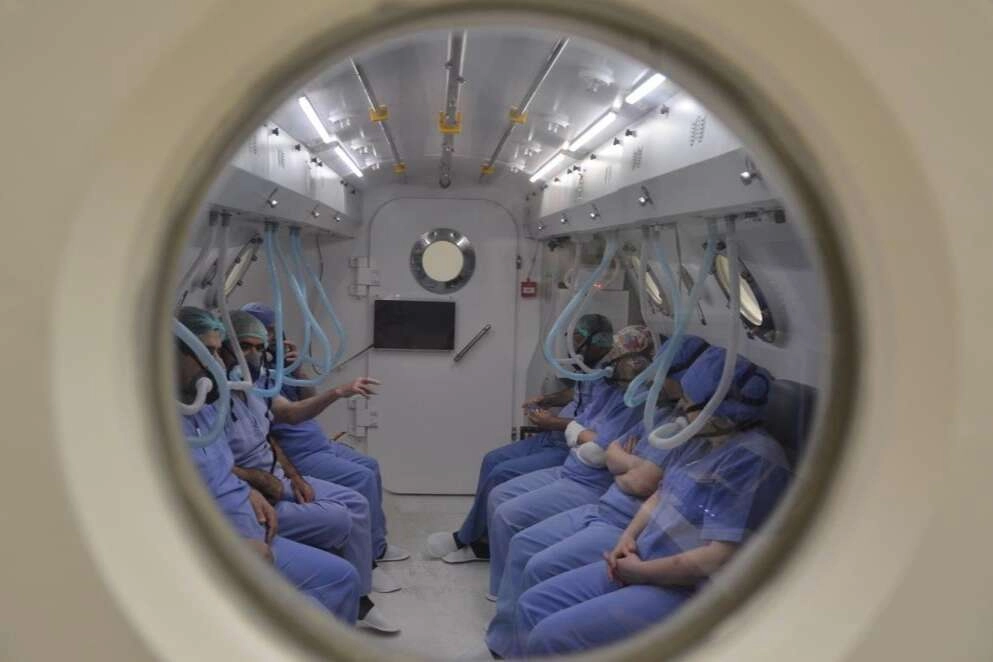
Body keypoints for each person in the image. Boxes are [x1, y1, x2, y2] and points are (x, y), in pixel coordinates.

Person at [513, 347, 790, 657]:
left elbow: (718, 557)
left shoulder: (753, 460)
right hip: (641, 556)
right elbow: (660, 493)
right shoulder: (702, 439)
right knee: (534, 604)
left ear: (718, 408)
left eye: (688, 401)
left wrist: (641, 572)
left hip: (685, 590)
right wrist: (627, 538)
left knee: (549, 637)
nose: (681, 407)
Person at [485, 335, 708, 657]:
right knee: (516, 528)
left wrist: (620, 460)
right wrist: (623, 460)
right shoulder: (655, 410)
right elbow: (613, 456)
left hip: (613, 510)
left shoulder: (695, 435)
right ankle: (506, 637)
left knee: (535, 566)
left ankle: (512, 644)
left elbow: (635, 477)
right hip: (606, 503)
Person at [175, 307, 360, 625]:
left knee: (343, 568)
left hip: (256, 513)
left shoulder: (206, 407)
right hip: (227, 541)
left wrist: (248, 490)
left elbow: (231, 459)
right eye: (207, 351)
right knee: (342, 526)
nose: (215, 363)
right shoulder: (158, 420)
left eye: (217, 352)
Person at [221, 310, 401, 632]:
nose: (254, 354)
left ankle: (362, 588)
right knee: (344, 515)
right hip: (255, 495)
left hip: (279, 476)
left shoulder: (255, 385)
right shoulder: (209, 402)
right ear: (223, 347)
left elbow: (276, 427)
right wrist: (253, 486)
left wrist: (293, 476)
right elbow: (211, 465)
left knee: (357, 498)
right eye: (244, 346)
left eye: (260, 346)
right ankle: (355, 580)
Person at [426, 314, 622, 564]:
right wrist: (545, 401)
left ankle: (468, 539)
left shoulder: (610, 378)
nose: (572, 345)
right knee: (492, 459)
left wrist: (553, 422)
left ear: (595, 342)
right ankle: (482, 536)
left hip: (569, 447)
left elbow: (594, 429)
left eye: (577, 339)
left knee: (502, 473)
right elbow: (575, 393)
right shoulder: (588, 370)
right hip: (552, 435)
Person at [485, 328, 657, 598]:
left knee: (511, 518)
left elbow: (598, 454)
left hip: (590, 483)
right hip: (572, 467)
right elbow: (586, 435)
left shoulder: (638, 403)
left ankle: (512, 596)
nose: (612, 365)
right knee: (498, 495)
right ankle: (502, 588)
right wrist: (590, 440)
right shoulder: (608, 389)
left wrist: (589, 441)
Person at [241, 302, 408, 567]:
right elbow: (291, 413)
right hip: (301, 452)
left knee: (371, 466)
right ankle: (369, 556)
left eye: (274, 331)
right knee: (362, 478)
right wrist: (338, 392)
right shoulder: (253, 380)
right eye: (265, 332)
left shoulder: (275, 369)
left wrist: (298, 369)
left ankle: (377, 543)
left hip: (317, 442)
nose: (270, 339)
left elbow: (308, 397)